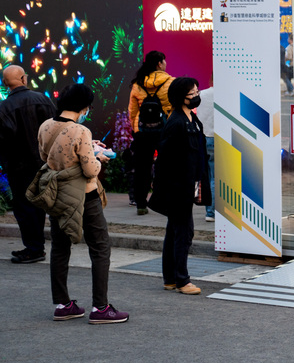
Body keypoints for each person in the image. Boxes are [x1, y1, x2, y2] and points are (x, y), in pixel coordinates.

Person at [28, 83, 129, 324]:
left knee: (60, 248)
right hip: (85, 195)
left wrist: (88, 147)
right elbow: (90, 169)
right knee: (100, 247)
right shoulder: (81, 130)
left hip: (57, 195)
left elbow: (46, 156)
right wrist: (98, 156)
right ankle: (101, 308)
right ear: (84, 107)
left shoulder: (45, 126)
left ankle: (63, 305)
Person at [149, 77, 210, 295]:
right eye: (192, 93)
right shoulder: (176, 122)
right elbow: (166, 159)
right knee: (184, 233)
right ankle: (182, 280)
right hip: (178, 187)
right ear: (181, 97)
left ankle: (171, 278)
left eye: (197, 91)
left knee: (174, 231)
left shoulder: (190, 118)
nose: (196, 96)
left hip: (188, 184)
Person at [0, 65, 57, 264]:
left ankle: (34, 248)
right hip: (45, 163)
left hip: (19, 167)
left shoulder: (4, 108)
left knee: (25, 208)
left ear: (5, 83)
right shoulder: (44, 100)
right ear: (24, 79)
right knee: (43, 204)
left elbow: (3, 141)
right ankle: (39, 247)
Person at [126, 51, 174, 215]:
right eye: (164, 61)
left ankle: (141, 204)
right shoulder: (170, 82)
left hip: (142, 132)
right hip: (164, 130)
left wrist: (136, 129)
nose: (165, 63)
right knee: (166, 166)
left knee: (142, 168)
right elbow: (174, 108)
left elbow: (132, 112)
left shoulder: (138, 84)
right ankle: (163, 201)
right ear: (159, 64)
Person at [196, 77, 216, 222]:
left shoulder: (201, 95)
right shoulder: (227, 95)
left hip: (203, 138)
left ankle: (209, 211)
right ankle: (213, 212)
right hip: (219, 138)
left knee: (208, 177)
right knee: (217, 177)